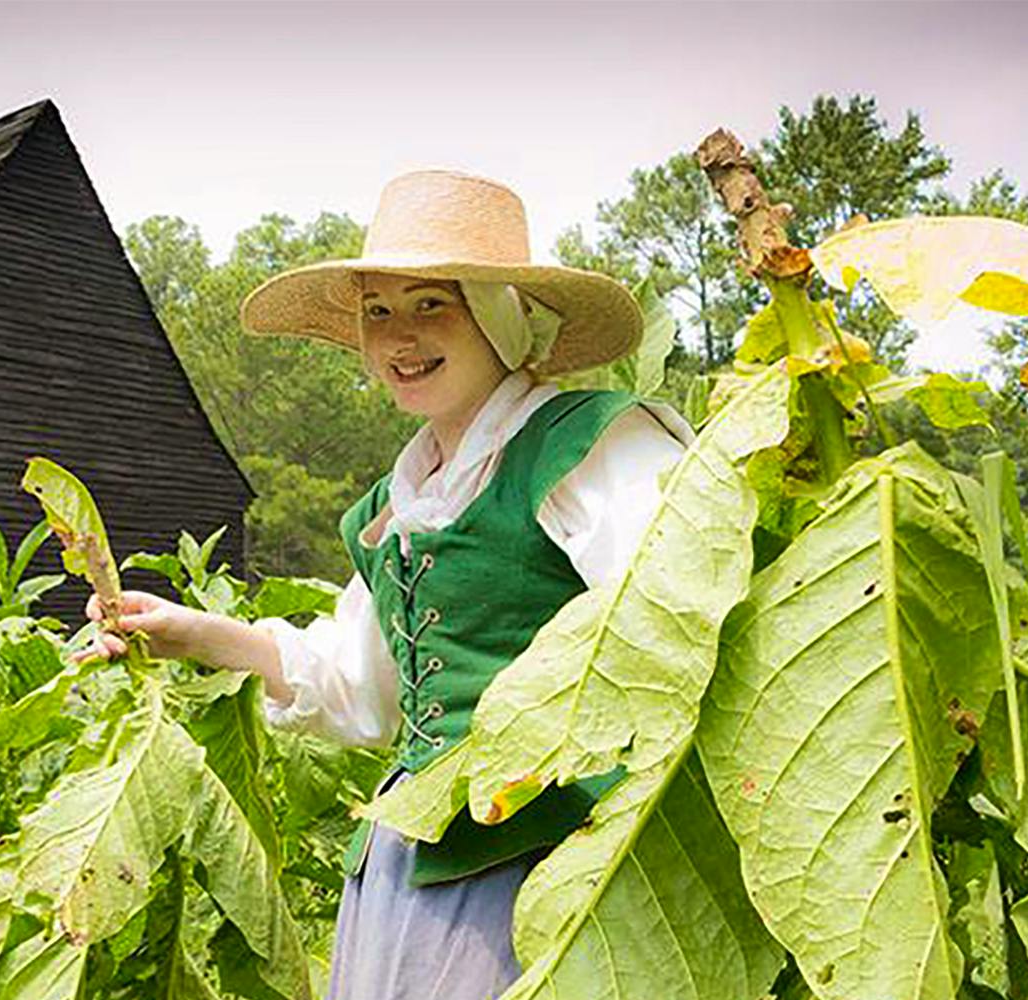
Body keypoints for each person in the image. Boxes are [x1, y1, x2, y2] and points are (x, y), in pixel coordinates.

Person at [81, 169, 691, 999]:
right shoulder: (395, 506)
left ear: (500, 315)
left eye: (431, 303)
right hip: (411, 861)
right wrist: (192, 632)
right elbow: (361, 689)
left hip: (550, 858)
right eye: (378, 312)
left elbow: (680, 622)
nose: (400, 337)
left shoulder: (591, 443)